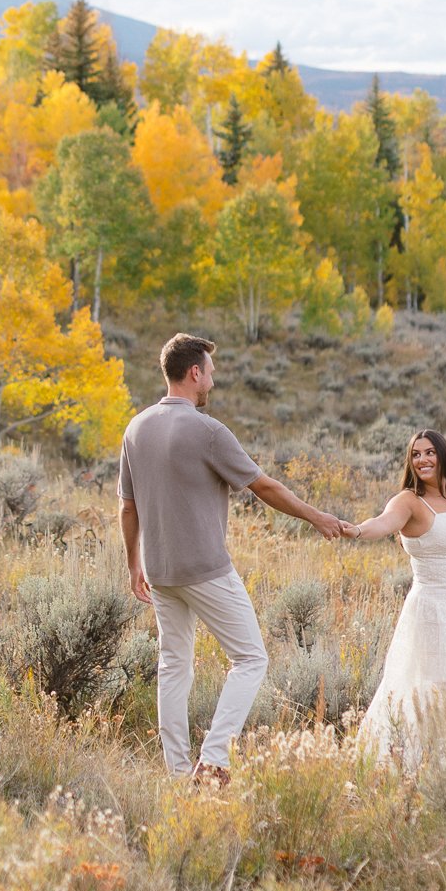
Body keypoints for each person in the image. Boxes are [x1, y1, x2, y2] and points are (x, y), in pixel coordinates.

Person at [119, 332, 351, 786]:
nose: (213, 382)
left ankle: (177, 773)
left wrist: (134, 564)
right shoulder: (208, 431)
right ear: (194, 372)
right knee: (250, 659)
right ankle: (215, 758)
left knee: (173, 665)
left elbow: (127, 507)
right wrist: (316, 516)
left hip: (160, 569)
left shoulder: (135, 428)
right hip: (205, 568)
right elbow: (263, 487)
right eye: (211, 372)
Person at [351, 428, 446, 765]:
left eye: (430, 452)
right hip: (433, 611)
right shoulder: (408, 501)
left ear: (443, 455)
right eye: (416, 454)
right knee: (432, 687)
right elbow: (384, 522)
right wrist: (358, 530)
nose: (422, 460)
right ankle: (417, 762)